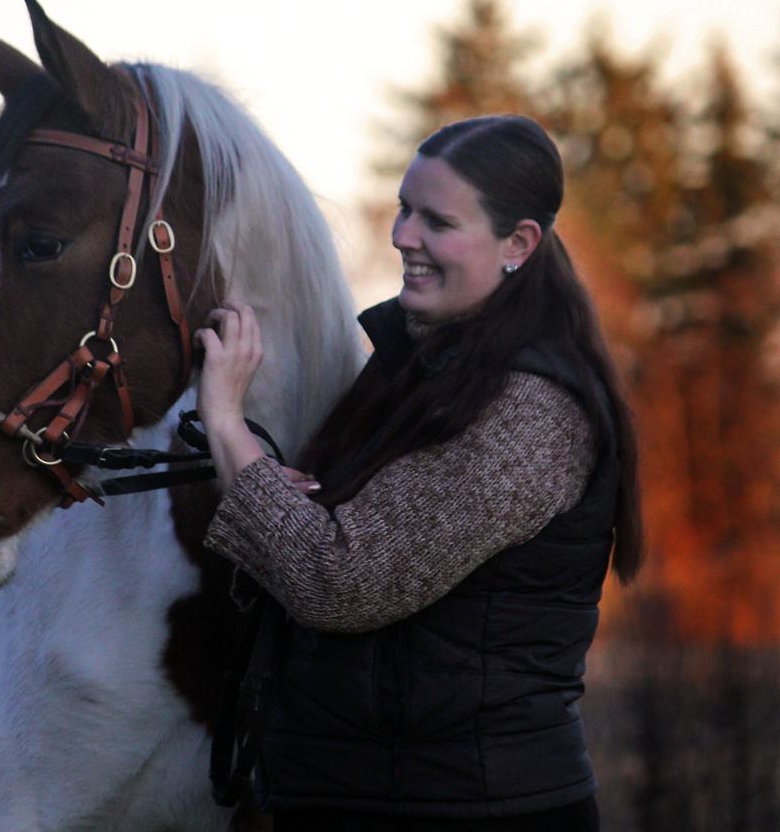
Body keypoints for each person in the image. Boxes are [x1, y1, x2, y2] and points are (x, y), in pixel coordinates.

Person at [195, 115, 642, 831]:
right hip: (379, 798)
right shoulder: (416, 370)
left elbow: (338, 577)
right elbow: (321, 540)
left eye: (437, 220)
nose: (403, 235)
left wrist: (224, 420)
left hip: (470, 809)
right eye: (406, 208)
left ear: (518, 244)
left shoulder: (531, 408)